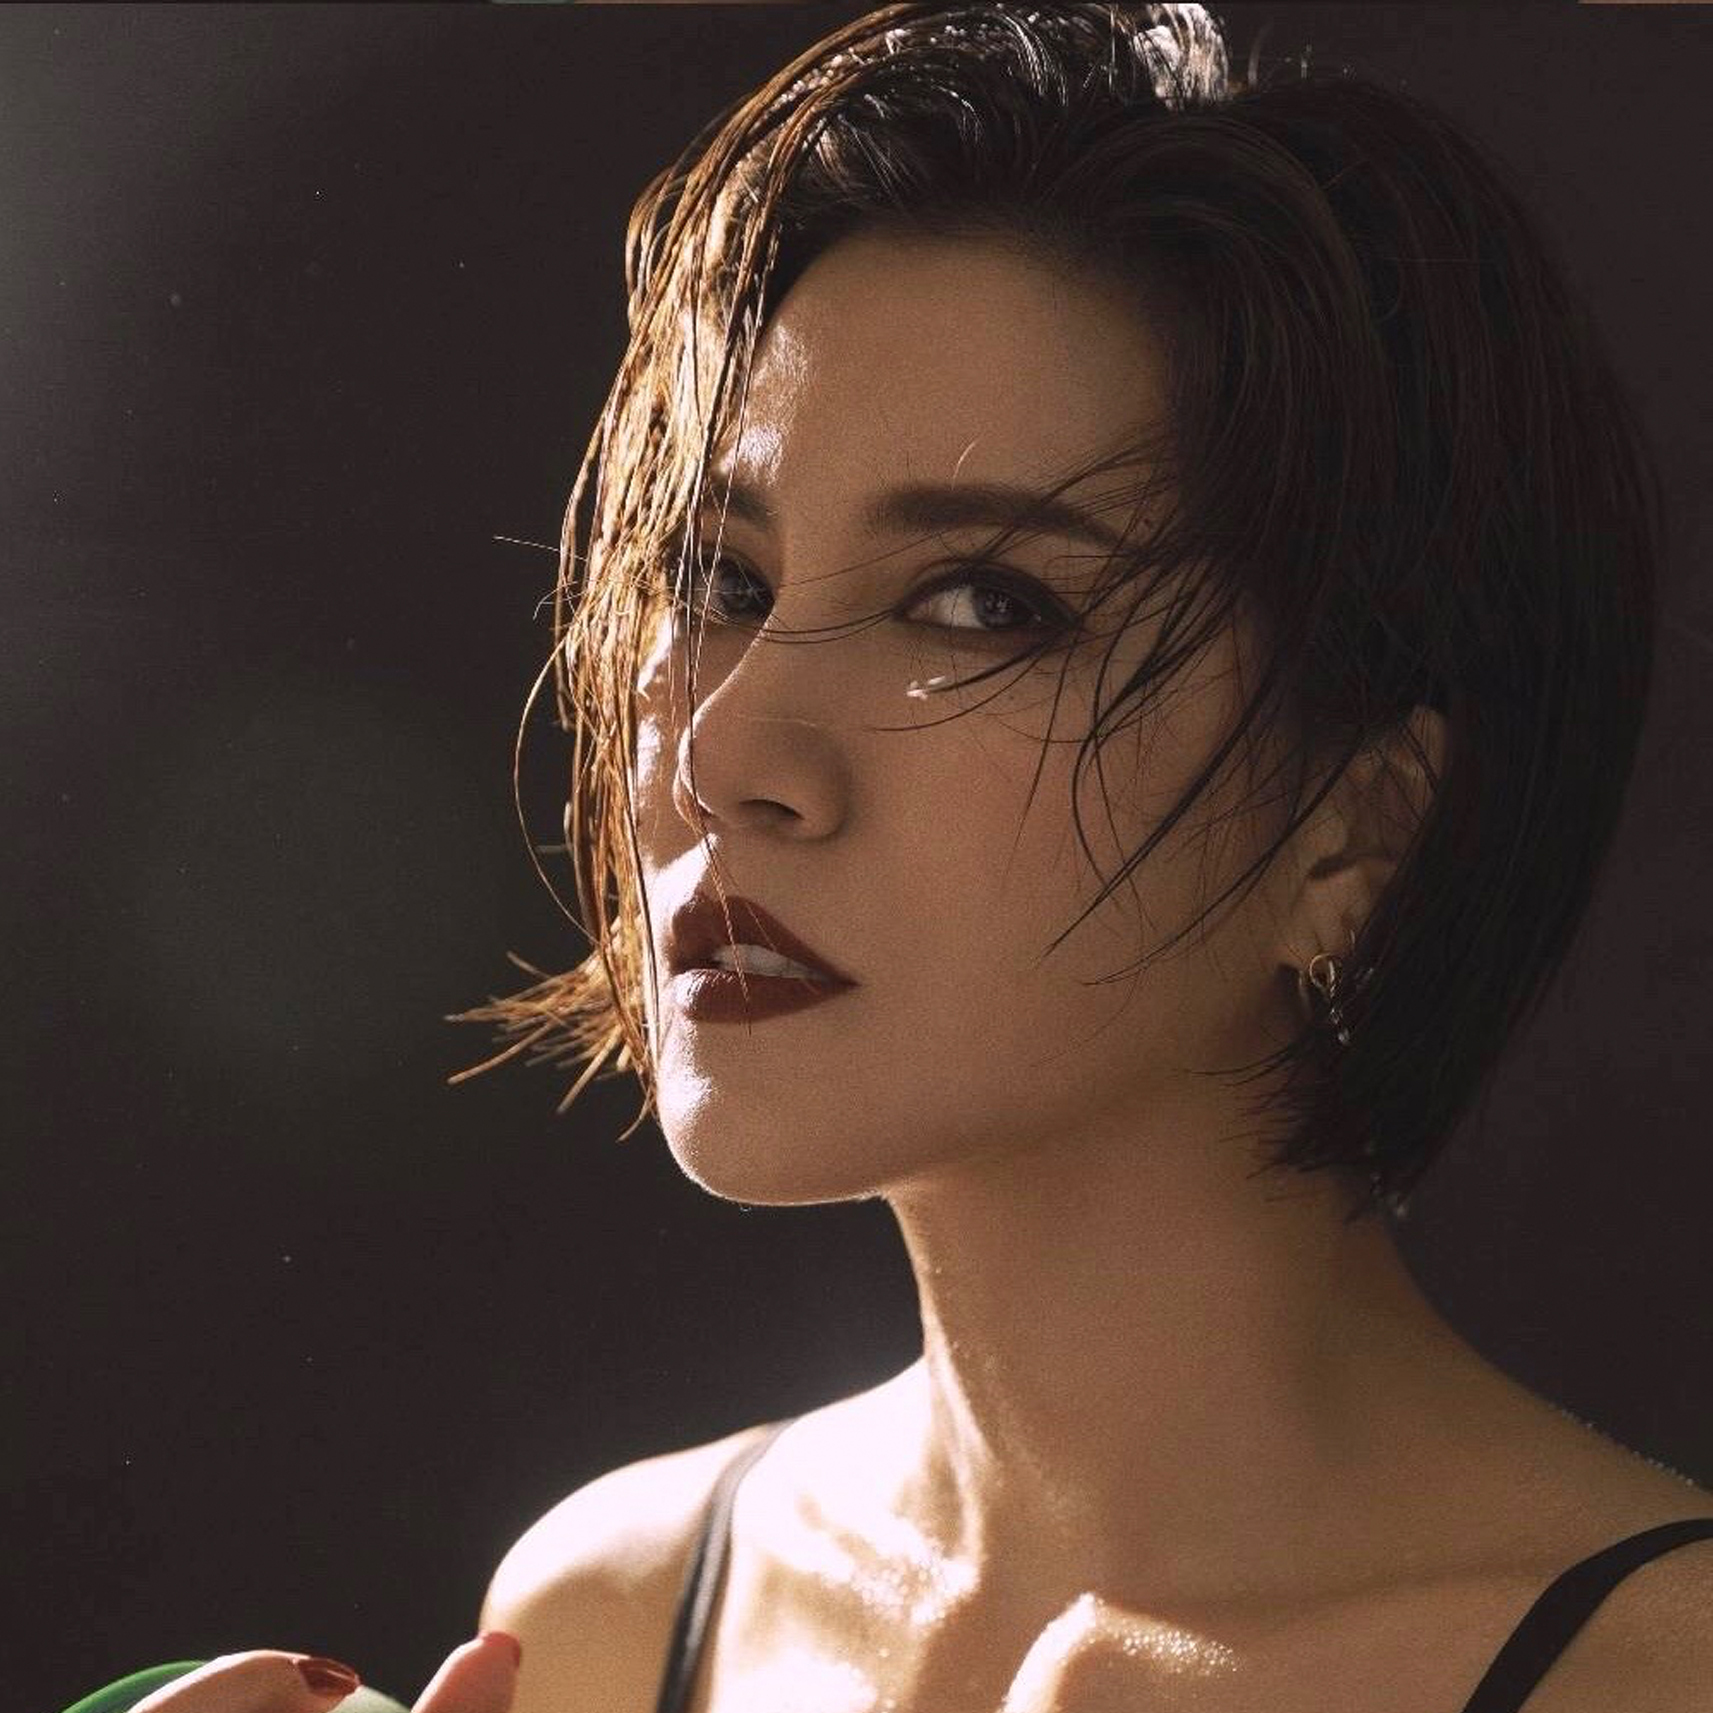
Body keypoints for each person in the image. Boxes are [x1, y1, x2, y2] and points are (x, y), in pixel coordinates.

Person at [79, 4, 1710, 1711]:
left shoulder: (1647, 1672)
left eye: (984, 605)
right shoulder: (613, 1615)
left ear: (1355, 821)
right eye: (721, 579)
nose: (722, 755)